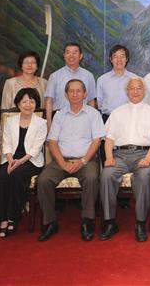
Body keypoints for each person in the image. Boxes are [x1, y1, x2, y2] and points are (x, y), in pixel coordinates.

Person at [36, 79, 104, 242]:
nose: (75, 94)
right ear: (66, 94)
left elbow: (97, 141)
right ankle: (50, 222)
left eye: (78, 91)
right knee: (43, 180)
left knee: (91, 178)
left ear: (85, 94)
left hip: (86, 161)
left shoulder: (93, 114)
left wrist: (83, 161)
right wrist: (62, 163)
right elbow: (52, 142)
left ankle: (87, 221)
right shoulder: (59, 115)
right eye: (71, 91)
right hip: (62, 160)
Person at [100, 77, 150, 242]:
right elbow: (109, 138)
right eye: (132, 88)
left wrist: (148, 158)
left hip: (143, 155)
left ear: (144, 91)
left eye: (139, 88)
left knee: (143, 176)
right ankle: (110, 222)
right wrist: (109, 157)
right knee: (106, 175)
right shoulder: (117, 112)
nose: (135, 91)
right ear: (127, 92)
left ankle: (140, 222)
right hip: (119, 156)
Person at [0, 88, 47, 237]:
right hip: (11, 158)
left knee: (16, 175)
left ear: (36, 104)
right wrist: (10, 161)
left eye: (32, 101)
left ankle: (13, 217)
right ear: (18, 104)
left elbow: (36, 149)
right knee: (2, 177)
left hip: (31, 160)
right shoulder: (10, 121)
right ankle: (2, 218)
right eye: (24, 101)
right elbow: (6, 144)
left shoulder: (41, 123)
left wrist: (19, 162)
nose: (28, 105)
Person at [44, 43, 96, 128]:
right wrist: (49, 124)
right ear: (64, 56)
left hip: (83, 119)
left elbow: (91, 101)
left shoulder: (88, 76)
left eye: (75, 52)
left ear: (80, 56)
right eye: (68, 52)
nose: (71, 55)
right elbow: (49, 101)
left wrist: (92, 122)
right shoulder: (54, 76)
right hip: (60, 119)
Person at [96, 45, 137, 121]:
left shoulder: (135, 79)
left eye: (122, 56)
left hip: (129, 119)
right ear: (111, 59)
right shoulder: (102, 80)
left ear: (127, 59)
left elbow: (139, 100)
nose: (119, 59)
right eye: (115, 56)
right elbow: (99, 103)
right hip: (108, 119)